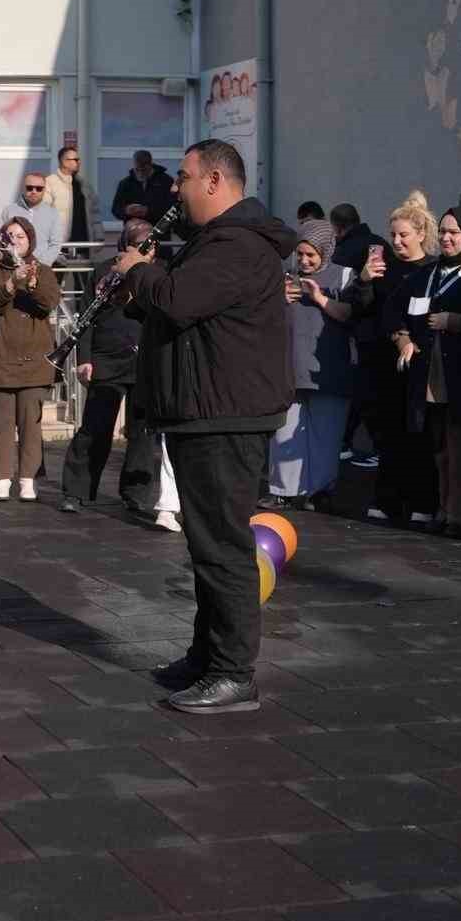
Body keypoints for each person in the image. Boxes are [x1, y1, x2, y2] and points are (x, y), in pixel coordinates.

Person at [114, 138, 294, 713]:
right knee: (207, 543)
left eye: (185, 177)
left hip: (225, 413)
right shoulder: (213, 244)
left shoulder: (237, 245)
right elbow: (174, 306)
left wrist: (141, 271)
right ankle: (206, 655)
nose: (176, 187)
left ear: (215, 181)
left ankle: (233, 671)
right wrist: (134, 287)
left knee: (223, 547)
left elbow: (176, 300)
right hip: (204, 409)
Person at [59, 218, 162, 515]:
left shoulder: (158, 274)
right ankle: (76, 491)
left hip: (144, 359)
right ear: (125, 246)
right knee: (96, 427)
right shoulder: (104, 271)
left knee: (142, 432)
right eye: (139, 244)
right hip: (106, 357)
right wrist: (85, 358)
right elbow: (86, 319)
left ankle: (136, 493)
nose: (146, 250)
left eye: (150, 245)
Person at [400, 207, 461, 539]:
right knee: (440, 449)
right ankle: (445, 509)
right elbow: (396, 310)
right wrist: (403, 338)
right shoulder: (429, 272)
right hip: (431, 376)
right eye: (444, 231)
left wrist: (455, 321)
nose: (447, 238)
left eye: (455, 233)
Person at [355, 192, 439, 524]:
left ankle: (423, 500)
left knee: (419, 435)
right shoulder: (382, 268)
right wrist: (363, 282)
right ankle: (388, 499)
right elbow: (363, 311)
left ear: (420, 234)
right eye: (393, 236)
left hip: (419, 362)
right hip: (383, 360)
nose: (397, 241)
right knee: (388, 434)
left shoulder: (431, 269)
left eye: (403, 235)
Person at [265, 219, 355, 512]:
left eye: (310, 255)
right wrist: (277, 299)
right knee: (284, 431)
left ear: (326, 251)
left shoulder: (344, 276)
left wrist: (318, 298)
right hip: (289, 367)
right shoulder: (284, 277)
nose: (303, 260)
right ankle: (284, 490)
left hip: (328, 369)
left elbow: (350, 315)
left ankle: (319, 490)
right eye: (300, 254)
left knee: (325, 434)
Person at [0, 217, 60, 501]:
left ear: (31, 240)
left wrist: (32, 283)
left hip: (35, 360)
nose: (16, 241)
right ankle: (1, 478)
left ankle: (27, 479)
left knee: (30, 425)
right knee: (0, 424)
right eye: (10, 236)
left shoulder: (45, 271)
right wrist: (12, 283)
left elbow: (49, 303)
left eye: (21, 236)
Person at [329, 202, 388, 467]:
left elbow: (343, 294)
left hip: (358, 328)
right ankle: (366, 443)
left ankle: (354, 442)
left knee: (361, 392)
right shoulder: (377, 243)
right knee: (372, 391)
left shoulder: (342, 252)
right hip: (383, 328)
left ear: (338, 228)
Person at [0, 173, 64, 266]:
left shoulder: (52, 213)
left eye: (39, 188)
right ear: (23, 188)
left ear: (44, 190)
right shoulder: (9, 211)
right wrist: (14, 260)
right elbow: (2, 239)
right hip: (13, 267)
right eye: (29, 188)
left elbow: (56, 244)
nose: (34, 191)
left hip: (41, 269)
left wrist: (41, 264)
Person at [110, 150, 176, 225]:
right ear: (134, 165)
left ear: (150, 165)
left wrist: (148, 211)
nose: (140, 173)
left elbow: (173, 210)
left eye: (144, 170)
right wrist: (126, 210)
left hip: (158, 232)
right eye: (137, 169)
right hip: (133, 232)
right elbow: (115, 209)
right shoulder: (125, 183)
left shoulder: (166, 181)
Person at [46, 145, 91, 246]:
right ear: (64, 162)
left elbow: (94, 213)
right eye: (75, 159)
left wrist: (98, 236)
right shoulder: (50, 182)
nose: (79, 162)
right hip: (60, 243)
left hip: (84, 243)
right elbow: (44, 213)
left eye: (79, 159)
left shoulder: (84, 185)